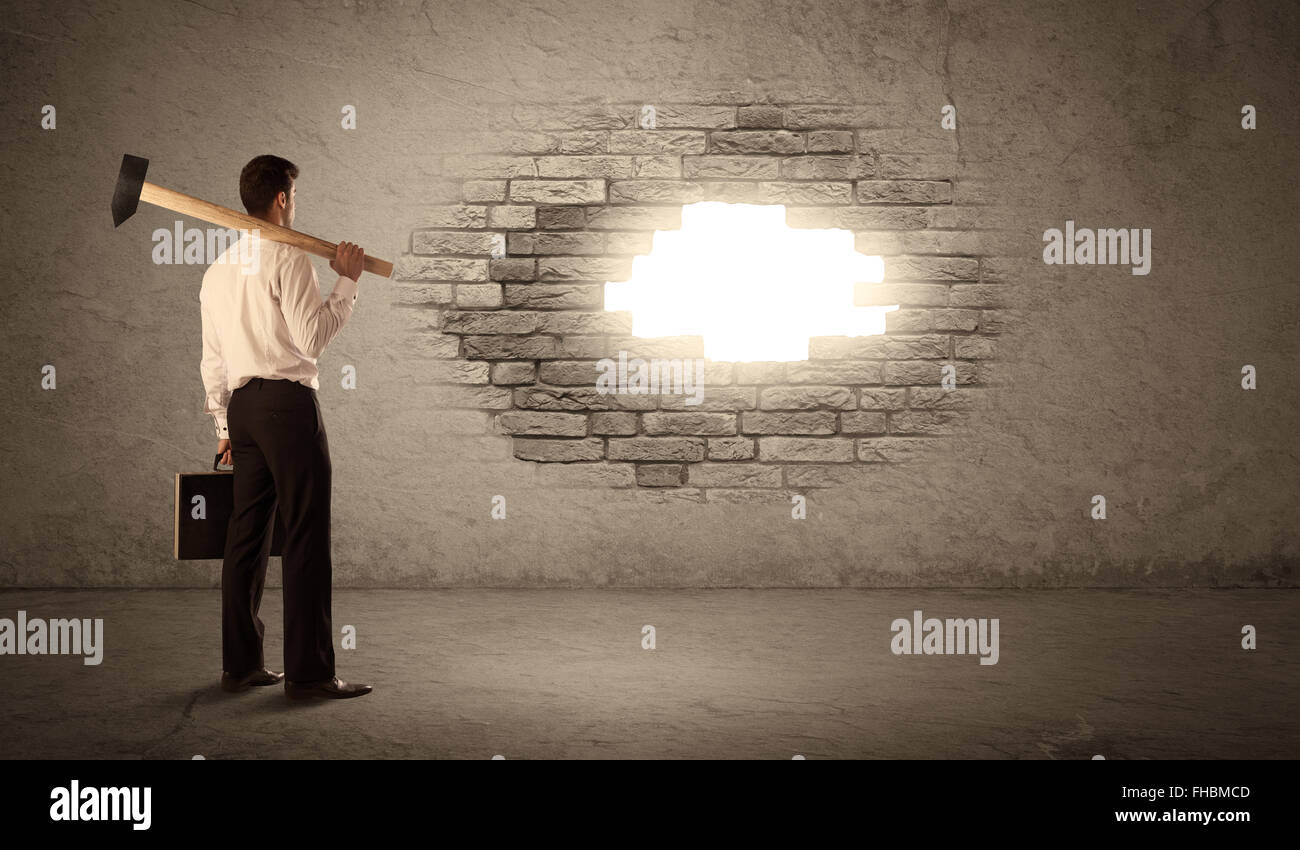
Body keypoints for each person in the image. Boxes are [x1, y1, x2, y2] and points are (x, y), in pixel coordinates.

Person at [199, 154, 371, 700]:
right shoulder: (289, 256)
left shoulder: (218, 269)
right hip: (286, 407)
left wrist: (222, 424)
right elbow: (313, 339)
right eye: (294, 195)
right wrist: (346, 282)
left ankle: (242, 666)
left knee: (246, 536)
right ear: (281, 199)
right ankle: (311, 673)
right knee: (304, 535)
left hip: (244, 412)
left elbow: (213, 359)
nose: (295, 204)